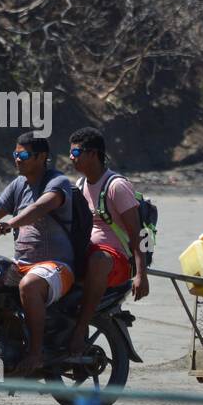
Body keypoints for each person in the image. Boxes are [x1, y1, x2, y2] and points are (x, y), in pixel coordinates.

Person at [0, 133, 76, 376]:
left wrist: (8, 225)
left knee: (29, 286)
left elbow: (38, 208)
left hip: (57, 266)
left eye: (23, 155)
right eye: (15, 154)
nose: (17, 159)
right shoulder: (18, 185)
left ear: (42, 157)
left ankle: (36, 353)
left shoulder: (57, 182)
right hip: (22, 264)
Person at [67, 127, 148, 356]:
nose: (71, 158)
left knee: (98, 260)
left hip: (115, 261)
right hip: (87, 253)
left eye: (76, 152)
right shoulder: (80, 185)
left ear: (93, 154)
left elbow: (138, 233)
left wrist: (141, 275)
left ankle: (81, 327)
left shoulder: (116, 186)